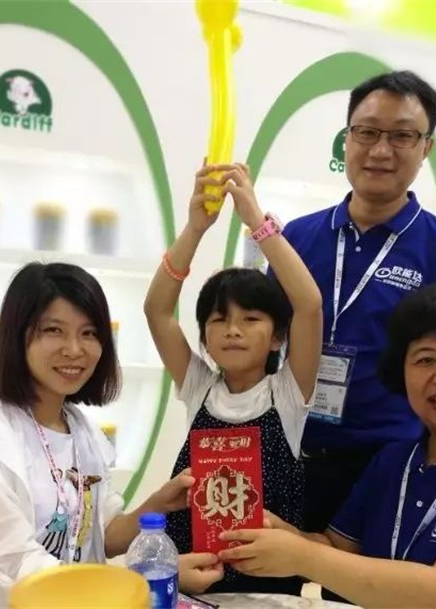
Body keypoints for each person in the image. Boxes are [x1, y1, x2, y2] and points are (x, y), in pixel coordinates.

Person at [271, 71, 436, 553]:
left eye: (402, 136)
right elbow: (265, 342)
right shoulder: (296, 238)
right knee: (268, 578)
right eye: (366, 132)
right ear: (347, 138)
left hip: (388, 463)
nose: (380, 150)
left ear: (426, 148)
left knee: (359, 584)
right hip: (288, 449)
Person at [219, 285, 436, 609]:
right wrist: (283, 534)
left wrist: (302, 556)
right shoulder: (393, 459)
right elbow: (337, 547)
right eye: (426, 359)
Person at [0, 262, 194, 609]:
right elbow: (17, 563)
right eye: (54, 330)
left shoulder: (84, 431)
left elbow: (101, 536)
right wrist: (129, 586)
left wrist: (159, 504)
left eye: (89, 333)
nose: (74, 349)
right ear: (17, 335)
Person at [144, 162, 323, 594]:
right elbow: (157, 311)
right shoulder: (199, 387)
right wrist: (196, 228)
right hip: (195, 580)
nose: (233, 330)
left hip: (269, 587)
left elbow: (310, 305)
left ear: (278, 336)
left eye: (251, 319)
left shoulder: (287, 393)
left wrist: (256, 221)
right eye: (219, 320)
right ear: (205, 336)